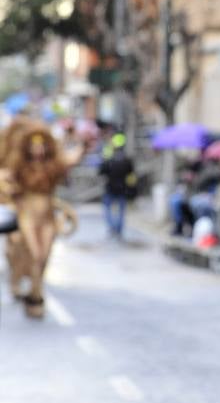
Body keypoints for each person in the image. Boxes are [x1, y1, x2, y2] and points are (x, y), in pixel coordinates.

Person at [0, 118, 86, 318]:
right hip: (26, 215)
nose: (37, 151)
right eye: (34, 147)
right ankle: (32, 293)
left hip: (47, 216)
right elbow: (6, 179)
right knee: (34, 253)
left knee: (44, 255)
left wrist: (83, 144)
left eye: (41, 147)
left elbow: (70, 160)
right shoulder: (18, 166)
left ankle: (35, 292)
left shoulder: (53, 165)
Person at [98, 133, 136, 240]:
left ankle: (112, 228)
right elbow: (131, 173)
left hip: (111, 188)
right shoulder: (127, 160)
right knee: (120, 210)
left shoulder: (109, 160)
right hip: (122, 188)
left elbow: (101, 171)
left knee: (108, 209)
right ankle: (118, 229)